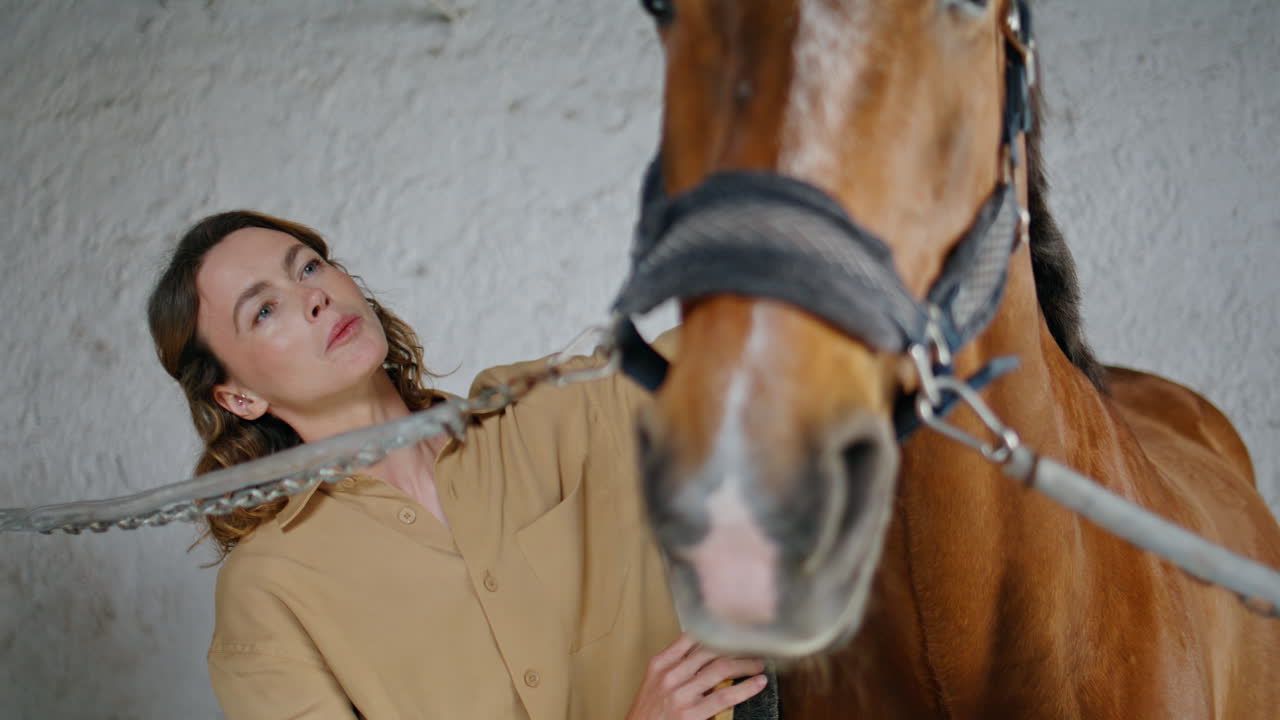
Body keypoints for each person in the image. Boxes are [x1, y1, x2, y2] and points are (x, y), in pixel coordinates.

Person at [146, 210, 768, 719]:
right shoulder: (268, 591)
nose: (312, 296)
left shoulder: (540, 416)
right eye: (263, 309)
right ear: (238, 398)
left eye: (308, 266)